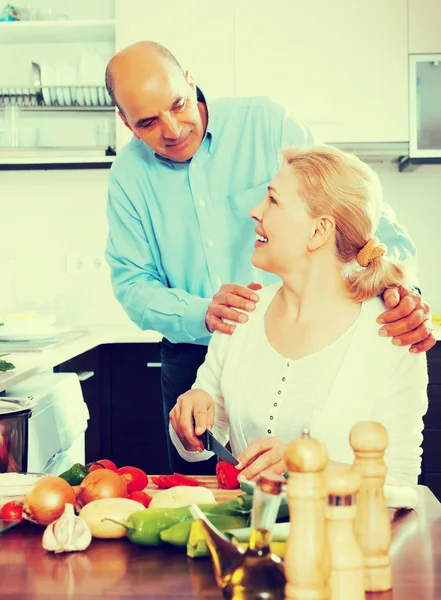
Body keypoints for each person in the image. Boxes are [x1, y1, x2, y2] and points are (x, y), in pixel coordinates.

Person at [104, 41, 434, 474]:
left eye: (179, 104)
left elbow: (350, 203)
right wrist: (205, 313)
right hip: (202, 347)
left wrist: (399, 290)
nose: (172, 129)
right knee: (202, 496)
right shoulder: (129, 176)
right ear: (126, 123)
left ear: (190, 80)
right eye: (147, 122)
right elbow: (131, 284)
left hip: (304, 328)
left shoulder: (266, 122)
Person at [169, 146, 429, 486]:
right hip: (251, 536)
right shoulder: (243, 312)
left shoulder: (390, 333)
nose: (254, 211)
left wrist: (309, 469)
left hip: (343, 536)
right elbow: (199, 444)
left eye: (273, 201)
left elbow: (401, 485)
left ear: (319, 231)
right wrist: (191, 413)